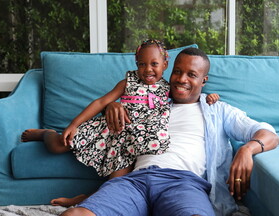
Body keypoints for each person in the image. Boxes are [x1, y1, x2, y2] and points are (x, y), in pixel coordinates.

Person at [59, 47, 279, 216]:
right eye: (177, 72)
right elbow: (116, 109)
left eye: (191, 75)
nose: (182, 79)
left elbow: (267, 133)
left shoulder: (217, 110)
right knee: (76, 214)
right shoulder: (148, 100)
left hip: (182, 183)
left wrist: (248, 150)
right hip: (135, 181)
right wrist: (111, 106)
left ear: (204, 80)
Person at [22, 39, 220, 181]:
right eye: (141, 64)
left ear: (165, 65)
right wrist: (74, 124)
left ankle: (82, 199)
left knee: (117, 182)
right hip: (109, 128)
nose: (147, 69)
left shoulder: (168, 88)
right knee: (58, 145)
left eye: (154, 64)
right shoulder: (128, 82)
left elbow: (188, 94)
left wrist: (208, 97)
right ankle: (46, 134)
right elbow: (101, 102)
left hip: (132, 142)